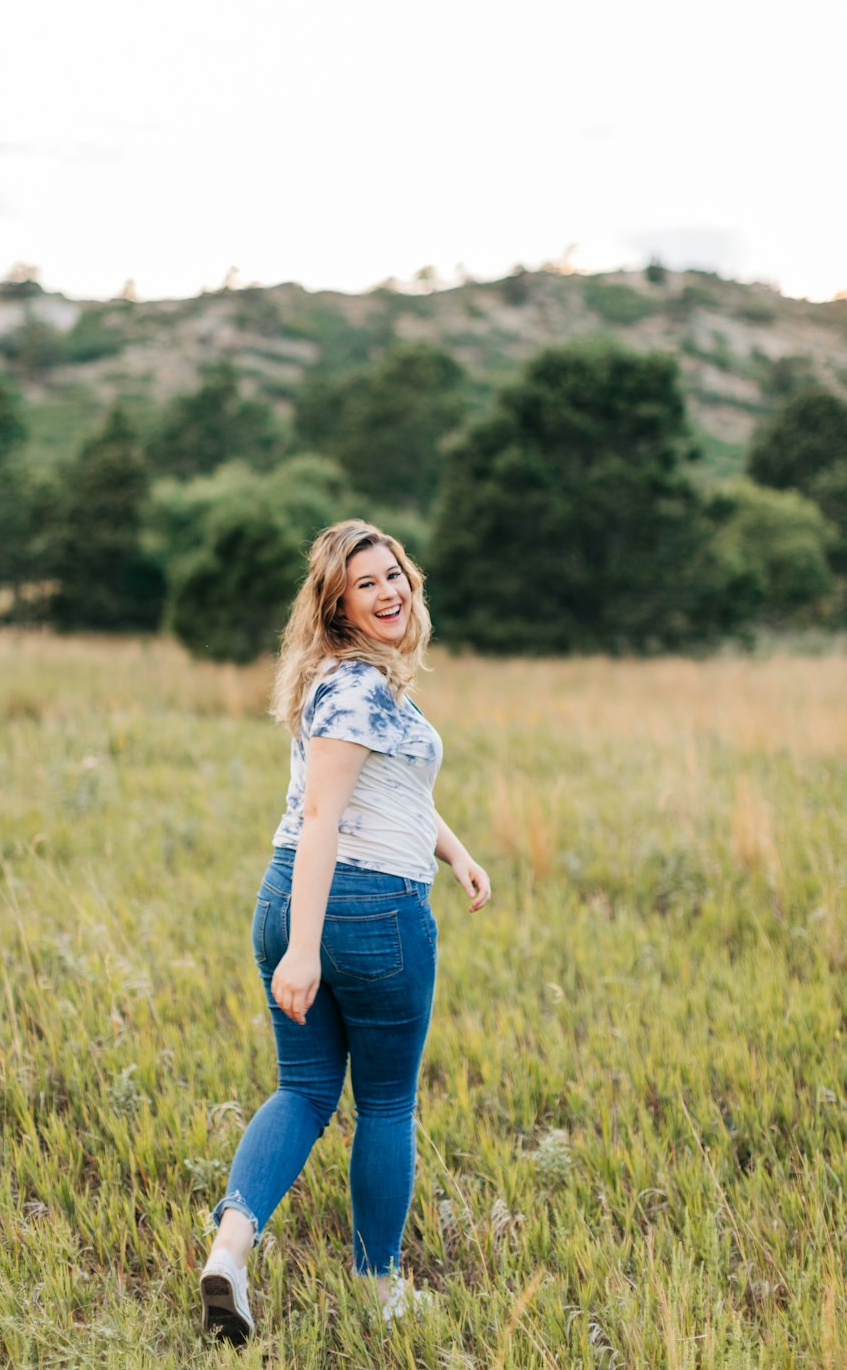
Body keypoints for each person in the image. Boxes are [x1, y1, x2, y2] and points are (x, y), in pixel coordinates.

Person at [198, 520, 491, 1343]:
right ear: (337, 604)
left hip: (289, 893)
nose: (389, 590)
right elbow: (324, 815)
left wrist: (458, 852)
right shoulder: (361, 686)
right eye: (366, 584)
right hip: (363, 912)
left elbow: (386, 794)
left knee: (304, 1091)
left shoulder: (344, 680)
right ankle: (376, 1284)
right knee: (387, 1104)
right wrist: (303, 948)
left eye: (393, 573)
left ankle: (230, 1249)